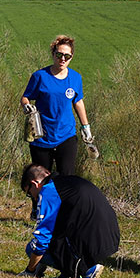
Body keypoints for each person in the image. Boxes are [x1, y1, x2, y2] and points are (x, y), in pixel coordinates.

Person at [20, 35, 93, 219]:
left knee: (66, 178)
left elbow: (78, 102)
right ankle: (39, 213)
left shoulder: (75, 78)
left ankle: (65, 216)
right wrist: (26, 106)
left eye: (67, 56)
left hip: (66, 136)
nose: (62, 59)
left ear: (71, 58)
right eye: (59, 54)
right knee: (40, 180)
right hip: (41, 137)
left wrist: (86, 128)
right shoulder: (40, 76)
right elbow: (25, 97)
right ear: (53, 54)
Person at [18, 164, 120, 278]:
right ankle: (69, 273)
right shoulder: (69, 182)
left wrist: (30, 270)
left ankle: (85, 270)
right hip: (111, 238)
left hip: (91, 244)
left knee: (31, 248)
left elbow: (42, 239)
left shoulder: (48, 191)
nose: (34, 198)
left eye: (29, 193)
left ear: (34, 183)